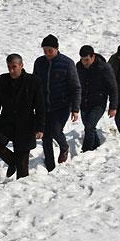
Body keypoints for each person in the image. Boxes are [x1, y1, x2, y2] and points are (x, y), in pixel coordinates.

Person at [0, 53, 45, 179]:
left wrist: (40, 128)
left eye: (14, 67)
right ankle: (13, 161)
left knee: (23, 168)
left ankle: (21, 193)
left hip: (26, 125)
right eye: (9, 67)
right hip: (6, 122)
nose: (11, 70)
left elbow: (40, 106)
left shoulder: (33, 81)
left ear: (21, 65)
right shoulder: (2, 80)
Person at [33, 34, 81, 172]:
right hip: (43, 106)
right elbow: (34, 84)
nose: (47, 53)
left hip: (61, 105)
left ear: (57, 49)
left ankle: (64, 147)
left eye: (50, 50)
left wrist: (75, 109)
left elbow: (76, 87)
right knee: (45, 136)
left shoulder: (67, 63)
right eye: (45, 50)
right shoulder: (39, 62)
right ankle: (50, 167)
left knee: (55, 130)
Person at [76, 45, 118, 151]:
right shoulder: (79, 66)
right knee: (90, 128)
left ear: (93, 56)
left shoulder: (104, 67)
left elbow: (113, 87)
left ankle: (86, 150)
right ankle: (96, 148)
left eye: (87, 60)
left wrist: (113, 106)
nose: (84, 63)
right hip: (84, 102)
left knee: (89, 126)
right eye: (82, 60)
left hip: (98, 103)